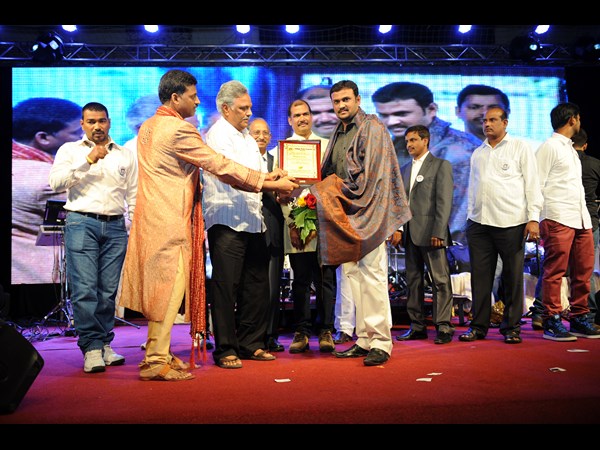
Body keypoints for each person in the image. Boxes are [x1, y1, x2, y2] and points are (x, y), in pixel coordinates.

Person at [118, 70, 298, 381]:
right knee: (169, 290)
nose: (198, 101)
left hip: (154, 215)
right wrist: (267, 181)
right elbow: (219, 166)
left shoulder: (149, 126)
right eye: (193, 96)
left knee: (163, 288)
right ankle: (155, 361)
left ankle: (159, 351)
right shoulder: (178, 129)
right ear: (176, 98)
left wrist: (266, 178)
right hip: (171, 218)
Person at [312, 80, 412, 366]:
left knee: (373, 276)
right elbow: (330, 171)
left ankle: (381, 341)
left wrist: (334, 189)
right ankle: (365, 338)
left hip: (370, 212)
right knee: (354, 276)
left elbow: (375, 177)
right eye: (336, 101)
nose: (341, 105)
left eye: (346, 99)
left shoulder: (373, 128)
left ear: (357, 99)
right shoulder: (339, 131)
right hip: (345, 215)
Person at [203, 80, 289, 369]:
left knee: (256, 285)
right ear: (226, 109)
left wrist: (277, 179)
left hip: (253, 220)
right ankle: (225, 348)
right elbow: (233, 175)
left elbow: (259, 176)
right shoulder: (217, 135)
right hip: (226, 219)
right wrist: (269, 183)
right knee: (226, 288)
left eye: (250, 107)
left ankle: (251, 343)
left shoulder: (249, 139)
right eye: (243, 108)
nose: (249, 113)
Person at [48, 102, 138, 373]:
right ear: (82, 124)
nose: (97, 126)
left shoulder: (125, 154)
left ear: (109, 122)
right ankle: (91, 347)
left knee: (108, 291)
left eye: (101, 121)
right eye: (91, 121)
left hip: (115, 226)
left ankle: (104, 343)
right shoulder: (70, 150)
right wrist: (88, 161)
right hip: (81, 222)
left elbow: (133, 193)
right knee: (85, 289)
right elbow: (56, 183)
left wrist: (133, 226)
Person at [459, 106, 543, 345]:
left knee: (512, 277)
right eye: (485, 120)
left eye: (493, 120)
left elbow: (532, 184)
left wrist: (533, 218)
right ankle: (478, 327)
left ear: (505, 122)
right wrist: (469, 218)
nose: (487, 124)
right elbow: (473, 189)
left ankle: (511, 328)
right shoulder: (478, 152)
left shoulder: (520, 147)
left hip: (512, 222)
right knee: (480, 278)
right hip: (479, 223)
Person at [372, 81, 480, 244]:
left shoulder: (462, 151)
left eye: (402, 114)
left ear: (431, 110)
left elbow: (459, 219)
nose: (392, 122)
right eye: (384, 115)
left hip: (446, 249)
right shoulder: (391, 147)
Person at [536, 103, 600, 341]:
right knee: (555, 271)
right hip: (557, 216)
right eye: (579, 118)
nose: (580, 122)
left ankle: (579, 317)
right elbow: (536, 184)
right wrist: (535, 218)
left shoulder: (571, 149)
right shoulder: (549, 147)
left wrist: (585, 219)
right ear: (573, 119)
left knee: (583, 271)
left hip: (581, 218)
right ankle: (551, 319)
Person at [279, 99, 337, 354]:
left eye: (305, 114)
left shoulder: (326, 148)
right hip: (296, 225)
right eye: (297, 115)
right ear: (289, 120)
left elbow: (334, 187)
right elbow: (280, 193)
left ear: (311, 117)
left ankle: (326, 330)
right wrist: (293, 222)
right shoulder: (280, 152)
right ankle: (301, 331)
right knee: (300, 280)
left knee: (325, 280)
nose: (302, 118)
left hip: (324, 224)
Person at [12, 97, 84, 285]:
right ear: (43, 138)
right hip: (44, 279)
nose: (83, 138)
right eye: (76, 133)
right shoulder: (49, 180)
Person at [395, 125, 455, 345]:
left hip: (432, 234)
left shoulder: (440, 165)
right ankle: (417, 325)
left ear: (425, 140)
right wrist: (399, 229)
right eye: (407, 141)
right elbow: (401, 203)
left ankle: (443, 325)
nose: (409, 145)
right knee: (413, 281)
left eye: (413, 140)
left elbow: (444, 201)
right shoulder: (404, 169)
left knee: (440, 280)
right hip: (410, 234)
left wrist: (439, 231)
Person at [248, 117, 286, 352]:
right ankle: (251, 336)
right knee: (252, 288)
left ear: (271, 137)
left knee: (273, 289)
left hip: (273, 233)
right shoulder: (243, 163)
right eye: (256, 132)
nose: (261, 136)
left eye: (265, 133)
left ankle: (270, 335)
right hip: (249, 231)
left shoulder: (277, 163)